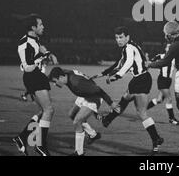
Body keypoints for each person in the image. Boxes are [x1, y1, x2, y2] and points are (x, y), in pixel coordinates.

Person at [98, 26, 164, 153]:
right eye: (116, 38)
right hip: (141, 79)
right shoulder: (130, 46)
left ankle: (156, 138)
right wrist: (105, 72)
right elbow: (119, 63)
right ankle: (108, 119)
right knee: (127, 97)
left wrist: (116, 76)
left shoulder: (128, 47)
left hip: (141, 79)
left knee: (141, 112)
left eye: (121, 37)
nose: (118, 40)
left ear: (127, 37)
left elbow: (127, 63)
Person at [48, 67, 115, 156]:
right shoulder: (65, 74)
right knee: (72, 114)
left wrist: (111, 103)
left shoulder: (76, 82)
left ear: (60, 77)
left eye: (55, 81)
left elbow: (98, 90)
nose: (54, 84)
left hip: (94, 97)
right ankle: (93, 134)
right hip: (84, 93)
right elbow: (59, 70)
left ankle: (79, 153)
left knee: (77, 121)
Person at [12, 14, 54, 156]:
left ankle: (22, 138)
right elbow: (27, 67)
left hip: (37, 76)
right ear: (33, 27)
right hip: (32, 77)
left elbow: (39, 50)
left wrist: (46, 53)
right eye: (40, 24)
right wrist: (42, 56)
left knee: (44, 111)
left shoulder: (34, 39)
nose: (43, 27)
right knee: (49, 110)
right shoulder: (24, 43)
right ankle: (40, 145)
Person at [146, 44, 179, 126]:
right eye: (168, 47)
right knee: (169, 99)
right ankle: (171, 119)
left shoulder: (174, 58)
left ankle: (143, 109)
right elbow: (150, 63)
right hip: (162, 80)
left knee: (159, 100)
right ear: (165, 48)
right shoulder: (160, 56)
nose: (170, 48)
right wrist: (147, 62)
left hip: (168, 80)